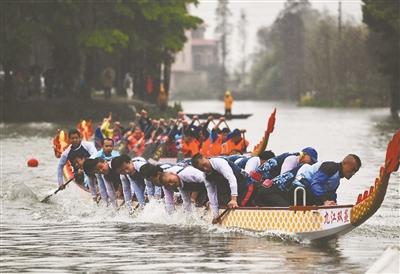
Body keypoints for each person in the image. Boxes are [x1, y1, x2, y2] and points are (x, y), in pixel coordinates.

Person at [254, 154, 361, 207]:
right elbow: (316, 184)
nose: (353, 173)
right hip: (297, 189)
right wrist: (325, 201)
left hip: (303, 191)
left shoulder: (337, 180)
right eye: (353, 169)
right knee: (319, 199)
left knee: (326, 200)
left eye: (355, 171)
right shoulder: (330, 167)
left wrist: (334, 204)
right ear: (345, 163)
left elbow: (331, 195)